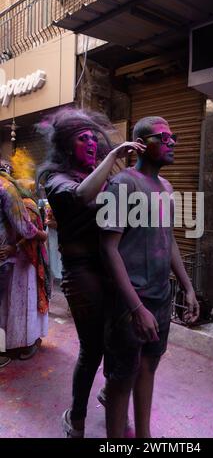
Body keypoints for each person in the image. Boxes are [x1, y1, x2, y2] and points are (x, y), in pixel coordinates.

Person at [37, 107, 145, 438]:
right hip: (81, 271)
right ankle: (78, 417)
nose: (90, 144)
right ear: (68, 147)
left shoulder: (106, 179)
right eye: (82, 140)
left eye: (93, 139)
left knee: (120, 340)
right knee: (93, 347)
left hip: (112, 266)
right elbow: (83, 196)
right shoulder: (56, 179)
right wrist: (114, 155)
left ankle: (112, 395)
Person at [101, 116, 200, 438]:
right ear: (142, 144)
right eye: (164, 137)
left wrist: (187, 287)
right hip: (130, 301)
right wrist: (135, 308)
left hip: (160, 296)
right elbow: (109, 248)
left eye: (174, 137)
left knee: (148, 368)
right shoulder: (122, 184)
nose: (172, 143)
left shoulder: (167, 188)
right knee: (121, 380)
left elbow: (167, 239)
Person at [0, 158, 47, 367]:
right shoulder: (7, 189)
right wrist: (42, 235)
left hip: (16, 260)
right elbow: (25, 229)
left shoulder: (22, 199)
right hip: (9, 258)